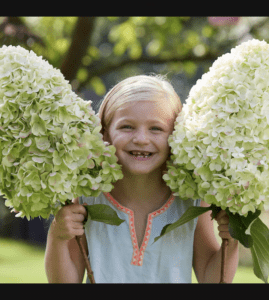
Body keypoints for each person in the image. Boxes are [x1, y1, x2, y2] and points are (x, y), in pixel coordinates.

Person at [44, 74, 239, 283]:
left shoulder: (191, 201)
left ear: (176, 136)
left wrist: (234, 239)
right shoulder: (88, 197)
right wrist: (58, 235)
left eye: (156, 128)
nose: (141, 139)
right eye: (126, 127)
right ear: (105, 133)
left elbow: (213, 280)